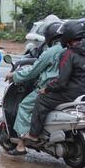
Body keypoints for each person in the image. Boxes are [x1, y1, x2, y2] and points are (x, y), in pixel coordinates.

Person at [24, 21, 85, 142]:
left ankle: (33, 134)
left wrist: (47, 88)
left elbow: (61, 82)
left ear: (68, 36)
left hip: (73, 93)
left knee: (42, 99)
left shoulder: (69, 54)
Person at [4, 21, 65, 155]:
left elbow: (33, 71)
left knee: (24, 106)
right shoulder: (69, 50)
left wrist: (14, 76)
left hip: (48, 88)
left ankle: (21, 144)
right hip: (66, 89)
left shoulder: (51, 52)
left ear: (50, 37)